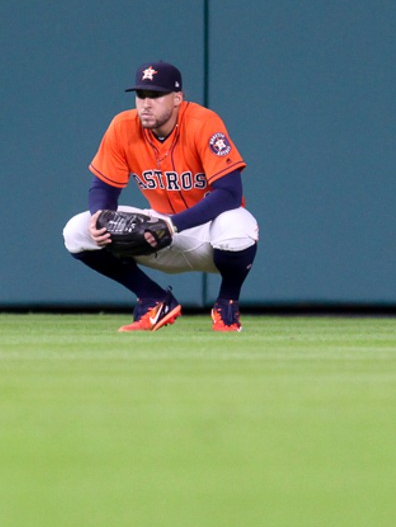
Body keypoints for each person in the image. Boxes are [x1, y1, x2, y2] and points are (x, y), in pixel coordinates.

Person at [63, 61, 259, 332]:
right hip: (156, 233)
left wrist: (174, 224)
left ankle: (226, 304)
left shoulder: (203, 123)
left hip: (209, 236)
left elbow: (229, 193)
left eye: (155, 96)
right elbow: (103, 187)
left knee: (239, 224)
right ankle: (154, 299)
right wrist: (101, 214)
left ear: (178, 98)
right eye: (141, 95)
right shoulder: (122, 126)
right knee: (77, 230)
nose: (145, 103)